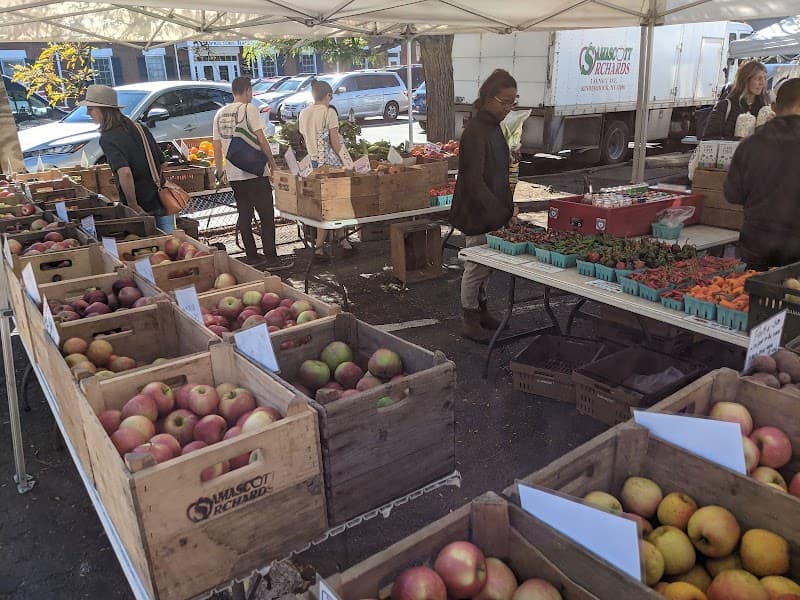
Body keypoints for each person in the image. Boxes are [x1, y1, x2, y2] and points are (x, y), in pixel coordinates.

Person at [450, 69, 517, 343]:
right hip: (476, 211)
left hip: (493, 209)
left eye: (514, 102)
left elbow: (495, 169)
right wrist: (501, 212)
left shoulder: (493, 127)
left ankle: (482, 311)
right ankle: (469, 318)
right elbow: (475, 181)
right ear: (490, 98)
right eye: (505, 102)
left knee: (486, 267)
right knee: (476, 266)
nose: (509, 109)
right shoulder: (475, 131)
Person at [724, 77, 800, 271]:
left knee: (753, 298)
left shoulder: (750, 144)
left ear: (774, 107)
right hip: (796, 250)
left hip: (756, 245)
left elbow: (732, 194)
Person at [82, 85, 175, 233]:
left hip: (140, 205)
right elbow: (162, 163)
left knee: (151, 246)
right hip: (160, 200)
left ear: (103, 110)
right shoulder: (139, 127)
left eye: (91, 108)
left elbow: (125, 172)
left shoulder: (108, 138)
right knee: (171, 246)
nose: (88, 112)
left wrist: (133, 204)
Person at [213, 76, 280, 267]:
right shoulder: (249, 109)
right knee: (266, 216)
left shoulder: (220, 114)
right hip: (255, 173)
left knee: (245, 216)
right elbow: (262, 140)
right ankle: (272, 257)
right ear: (247, 90)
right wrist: (273, 165)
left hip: (234, 174)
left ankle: (252, 256)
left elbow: (216, 146)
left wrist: (220, 172)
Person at [298, 79, 352, 258]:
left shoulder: (304, 113)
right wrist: (349, 163)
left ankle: (335, 242)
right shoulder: (329, 113)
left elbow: (305, 139)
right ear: (328, 95)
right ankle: (327, 245)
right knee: (336, 206)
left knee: (324, 207)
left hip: (314, 165)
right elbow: (335, 143)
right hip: (330, 166)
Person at [703, 60, 770, 140]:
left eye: (764, 78)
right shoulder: (725, 106)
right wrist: (737, 140)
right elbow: (708, 138)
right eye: (758, 78)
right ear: (746, 80)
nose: (762, 83)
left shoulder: (764, 108)